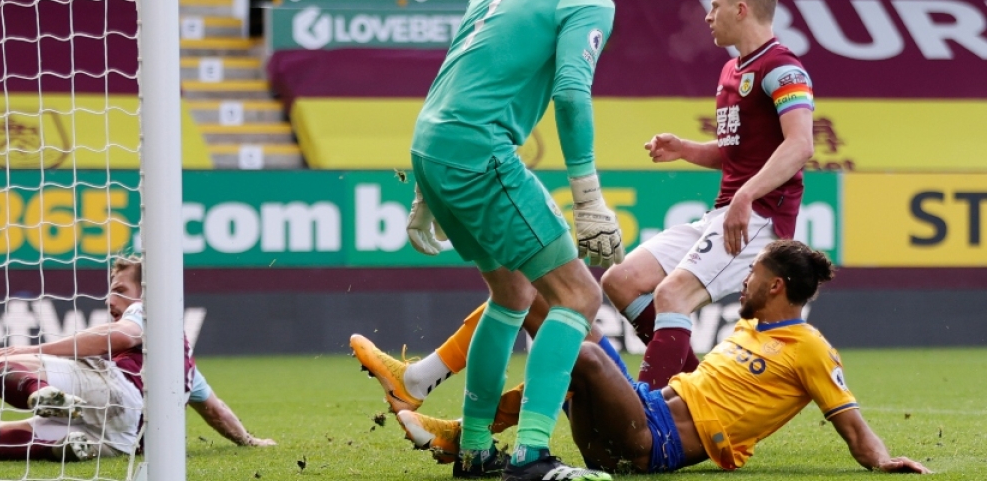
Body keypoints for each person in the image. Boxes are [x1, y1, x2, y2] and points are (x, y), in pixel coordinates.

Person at [404, 0, 625, 481]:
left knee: (512, 293)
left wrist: (425, 182)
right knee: (579, 297)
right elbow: (571, 93)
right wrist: (588, 198)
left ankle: (477, 449)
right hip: (479, 149)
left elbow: (456, 67)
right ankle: (530, 456)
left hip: (433, 140)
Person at [396, 241, 930, 475]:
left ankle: (477, 436)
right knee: (538, 296)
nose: (744, 280)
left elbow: (852, 426)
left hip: (652, 446)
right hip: (639, 413)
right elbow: (706, 388)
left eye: (753, 274)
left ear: (777, 287)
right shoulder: (748, 329)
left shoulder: (810, 347)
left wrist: (882, 460)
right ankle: (452, 417)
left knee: (584, 353)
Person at [600, 0, 816, 388]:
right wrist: (685, 149)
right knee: (620, 280)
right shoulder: (731, 70)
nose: (708, 15)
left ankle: (650, 410)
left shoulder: (782, 68)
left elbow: (800, 145)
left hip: (759, 217)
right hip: (726, 212)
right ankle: (698, 393)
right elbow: (737, 152)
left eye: (716, 6)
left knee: (672, 294)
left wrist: (745, 196)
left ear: (741, 9)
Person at [0, 257, 274, 462]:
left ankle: (41, 394)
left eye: (119, 289)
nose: (110, 299)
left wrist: (31, 351)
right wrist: (249, 441)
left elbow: (122, 336)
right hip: (122, 440)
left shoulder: (150, 309)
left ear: (146, 290)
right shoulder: (184, 365)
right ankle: (58, 446)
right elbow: (216, 410)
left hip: (117, 391)